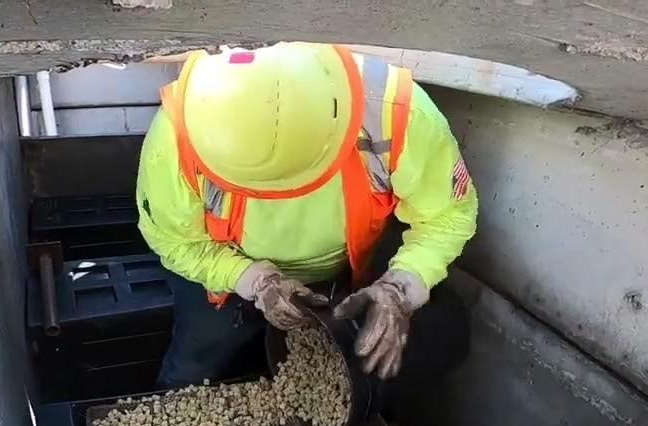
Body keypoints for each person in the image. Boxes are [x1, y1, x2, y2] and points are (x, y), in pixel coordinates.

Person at [136, 42, 476, 388]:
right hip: (220, 272)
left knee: (349, 371)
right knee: (195, 365)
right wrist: (254, 281)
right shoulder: (173, 139)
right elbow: (175, 241)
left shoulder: (397, 114)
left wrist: (401, 288)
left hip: (345, 271)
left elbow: (446, 216)